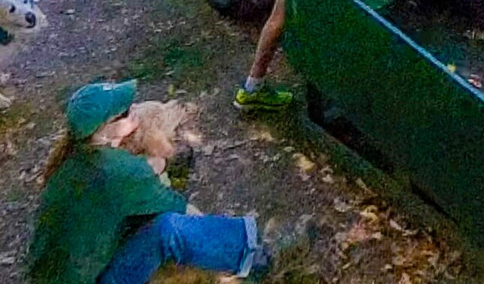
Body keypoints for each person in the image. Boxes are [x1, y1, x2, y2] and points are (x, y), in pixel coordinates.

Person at [29, 80, 301, 284]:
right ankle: (258, 258)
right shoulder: (120, 172)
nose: (133, 112)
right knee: (168, 229)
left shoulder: (71, 160)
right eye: (125, 113)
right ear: (105, 129)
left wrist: (154, 166)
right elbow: (183, 213)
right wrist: (208, 234)